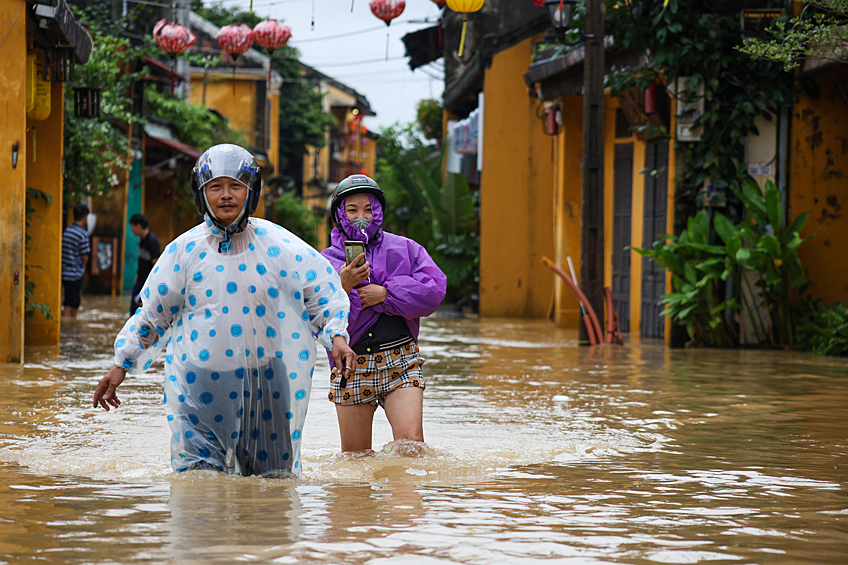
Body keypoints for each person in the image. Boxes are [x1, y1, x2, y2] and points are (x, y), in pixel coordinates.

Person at [93, 144, 356, 477]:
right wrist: (121, 365)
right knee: (201, 483)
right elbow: (153, 316)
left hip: (267, 380)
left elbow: (321, 296)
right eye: (215, 186)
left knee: (271, 483)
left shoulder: (280, 247)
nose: (226, 195)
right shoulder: (184, 252)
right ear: (202, 194)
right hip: (201, 381)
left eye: (236, 186)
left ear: (251, 191)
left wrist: (338, 338)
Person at [320, 174, 447, 455]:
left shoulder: (408, 249)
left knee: (412, 448)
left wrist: (385, 295)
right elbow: (318, 318)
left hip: (401, 359)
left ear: (379, 211)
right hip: (351, 365)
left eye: (369, 209)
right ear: (339, 215)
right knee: (355, 461)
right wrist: (345, 288)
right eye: (352, 210)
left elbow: (433, 292)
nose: (361, 217)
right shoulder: (325, 261)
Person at [61, 203, 92, 318]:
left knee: (71, 302)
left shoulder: (66, 232)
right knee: (71, 304)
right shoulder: (82, 234)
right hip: (75, 274)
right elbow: (85, 257)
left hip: (65, 273)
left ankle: (70, 328)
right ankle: (69, 328)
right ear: (85, 218)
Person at [128, 213, 161, 315]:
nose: (132, 229)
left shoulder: (152, 241)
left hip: (148, 283)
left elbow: (156, 266)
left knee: (141, 312)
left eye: (132, 226)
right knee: (133, 310)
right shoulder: (142, 240)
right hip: (140, 280)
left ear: (138, 226)